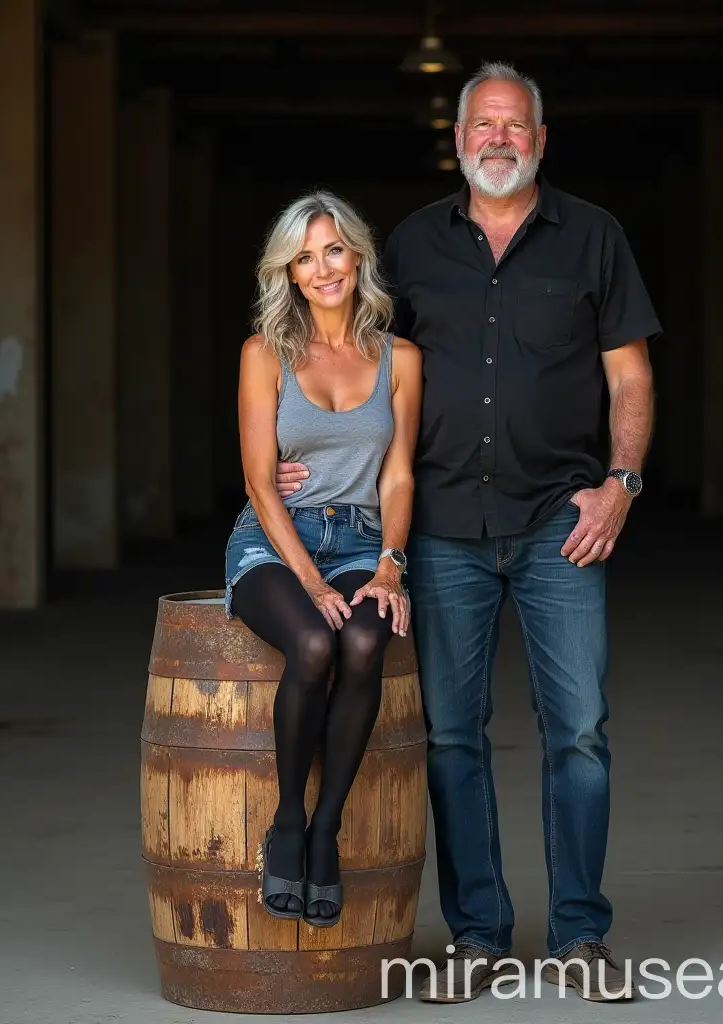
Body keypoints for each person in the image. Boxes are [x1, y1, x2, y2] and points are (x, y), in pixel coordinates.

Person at [277, 62, 660, 998]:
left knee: (580, 732)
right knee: (454, 735)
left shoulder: (596, 238)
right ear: (458, 143)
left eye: (514, 126)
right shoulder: (409, 246)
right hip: (441, 529)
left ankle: (579, 936)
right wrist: (300, 451)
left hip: (559, 526)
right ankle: (478, 935)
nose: (498, 139)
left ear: (539, 139)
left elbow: (632, 380)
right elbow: (341, 350)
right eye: (482, 126)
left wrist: (621, 485)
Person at [225, 190, 421, 930]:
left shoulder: (401, 358)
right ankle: (286, 824)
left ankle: (327, 828)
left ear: (358, 254)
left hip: (364, 537)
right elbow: (256, 477)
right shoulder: (263, 353)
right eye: (304, 257)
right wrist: (309, 581)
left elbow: (400, 473)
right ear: (290, 273)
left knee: (367, 637)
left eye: (333, 249)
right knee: (314, 639)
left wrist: (390, 564)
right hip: (275, 538)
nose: (322, 267)